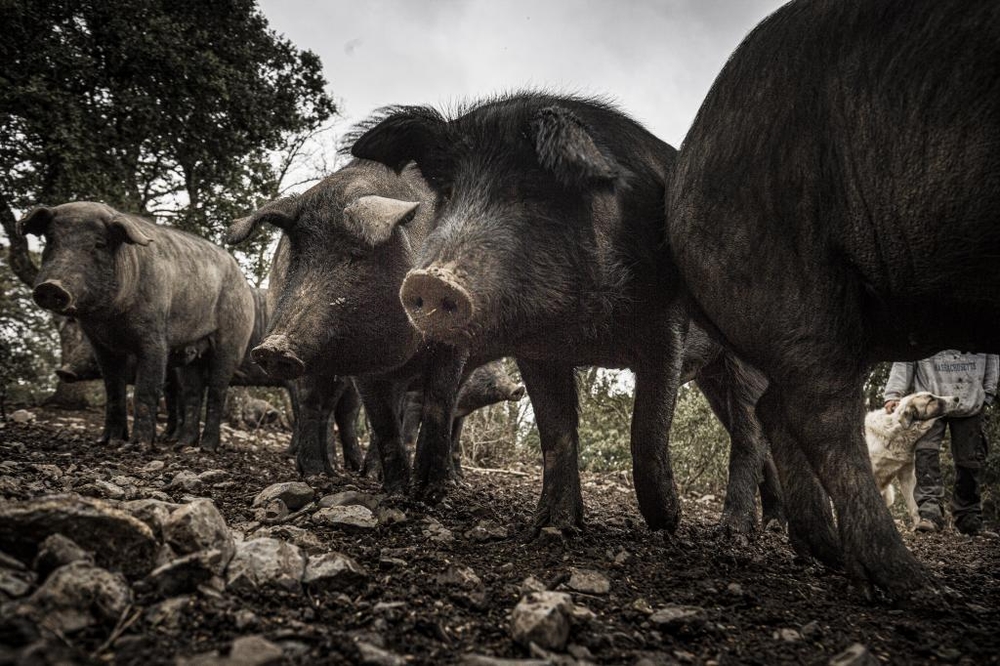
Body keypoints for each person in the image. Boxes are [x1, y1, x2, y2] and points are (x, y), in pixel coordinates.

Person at [883, 351, 998, 535]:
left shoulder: (981, 322)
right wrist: (893, 393)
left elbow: (992, 350)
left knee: (970, 460)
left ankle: (970, 520)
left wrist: (989, 392)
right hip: (930, 402)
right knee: (925, 455)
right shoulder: (922, 322)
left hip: (970, 401)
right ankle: (930, 515)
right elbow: (906, 357)